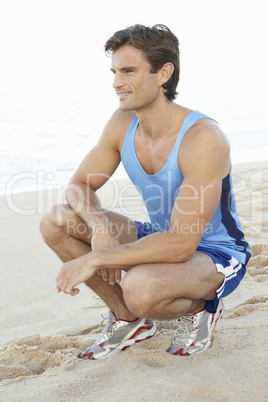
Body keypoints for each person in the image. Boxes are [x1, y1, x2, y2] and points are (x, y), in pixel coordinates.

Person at [40, 24, 251, 360]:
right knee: (56, 221)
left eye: (128, 71)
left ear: (163, 73)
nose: (115, 83)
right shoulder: (123, 123)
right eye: (114, 72)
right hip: (162, 234)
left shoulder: (203, 138)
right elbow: (79, 184)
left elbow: (182, 243)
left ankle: (202, 307)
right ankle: (128, 320)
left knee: (140, 289)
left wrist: (97, 257)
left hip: (215, 252)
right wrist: (99, 227)